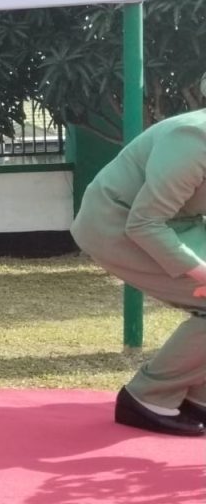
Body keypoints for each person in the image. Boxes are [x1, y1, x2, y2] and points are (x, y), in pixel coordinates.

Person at [72, 110, 206, 437]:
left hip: (178, 225)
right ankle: (146, 398)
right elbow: (144, 223)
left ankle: (196, 397)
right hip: (116, 224)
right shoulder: (193, 139)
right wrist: (201, 273)